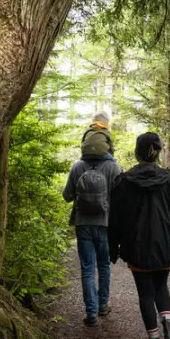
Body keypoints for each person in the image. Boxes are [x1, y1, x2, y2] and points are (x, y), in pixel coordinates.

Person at [109, 132, 170, 339]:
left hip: (137, 246)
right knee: (161, 285)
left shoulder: (124, 181)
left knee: (145, 293)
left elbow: (115, 219)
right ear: (158, 152)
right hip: (165, 244)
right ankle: (169, 330)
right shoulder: (169, 180)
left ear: (138, 152)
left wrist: (113, 248)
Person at [62, 116, 122, 327]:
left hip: (82, 224)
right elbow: (119, 200)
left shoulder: (77, 166)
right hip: (105, 224)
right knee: (103, 265)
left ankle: (91, 313)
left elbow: (67, 195)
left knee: (87, 268)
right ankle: (103, 304)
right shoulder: (114, 168)